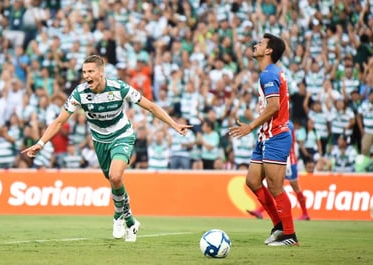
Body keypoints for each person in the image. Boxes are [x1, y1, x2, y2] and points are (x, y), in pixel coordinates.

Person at [22, 55, 192, 242]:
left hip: (122, 135)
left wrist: (174, 124)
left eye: (91, 71)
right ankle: (130, 221)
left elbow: (150, 106)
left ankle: (117, 216)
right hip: (100, 141)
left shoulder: (119, 88)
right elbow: (60, 120)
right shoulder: (79, 93)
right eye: (84, 72)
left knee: (115, 176)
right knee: (114, 183)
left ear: (101, 73)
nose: (86, 76)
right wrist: (40, 143)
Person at [228, 33, 298, 246]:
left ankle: (290, 235)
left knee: (276, 187)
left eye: (260, 43)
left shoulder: (268, 75)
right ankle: (278, 225)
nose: (256, 45)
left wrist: (250, 125)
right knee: (252, 181)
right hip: (266, 136)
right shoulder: (273, 72)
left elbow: (274, 106)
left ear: (268, 51)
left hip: (276, 136)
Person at [247, 121, 311, 221]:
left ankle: (305, 213)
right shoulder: (281, 123)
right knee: (273, 185)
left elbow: (285, 141)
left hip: (289, 160)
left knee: (293, 187)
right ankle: (260, 211)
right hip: (283, 159)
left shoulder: (287, 124)